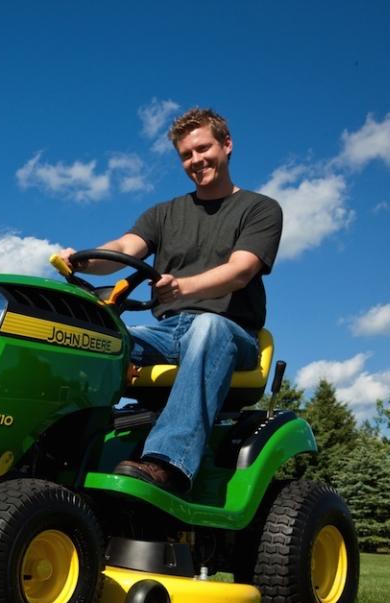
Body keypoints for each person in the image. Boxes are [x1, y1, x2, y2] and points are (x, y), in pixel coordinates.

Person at [58, 108, 282, 495]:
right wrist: (83, 259)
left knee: (208, 328)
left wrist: (184, 288)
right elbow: (124, 247)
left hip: (232, 335)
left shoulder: (260, 209)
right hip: (168, 333)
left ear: (226, 146)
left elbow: (241, 270)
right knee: (93, 337)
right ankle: (59, 455)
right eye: (186, 155)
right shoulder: (164, 213)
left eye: (203, 148)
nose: (196, 160)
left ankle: (169, 463)